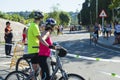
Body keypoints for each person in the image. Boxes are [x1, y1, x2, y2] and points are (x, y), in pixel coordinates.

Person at [27, 11, 54, 76]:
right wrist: (49, 45)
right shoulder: (35, 26)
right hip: (34, 50)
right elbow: (41, 39)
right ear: (41, 18)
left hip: (34, 49)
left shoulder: (32, 25)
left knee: (40, 69)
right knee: (34, 71)